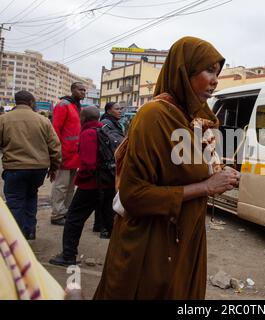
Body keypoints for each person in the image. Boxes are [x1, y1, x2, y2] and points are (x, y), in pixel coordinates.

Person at [94, 36, 240, 300]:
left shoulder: (191, 121)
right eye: (209, 70)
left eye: (217, 73)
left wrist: (220, 178)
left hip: (183, 240)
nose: (215, 80)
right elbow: (134, 195)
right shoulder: (154, 116)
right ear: (184, 71)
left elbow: (186, 172)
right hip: (152, 246)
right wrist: (205, 187)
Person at [49, 107, 116, 267]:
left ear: (83, 118)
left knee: (73, 219)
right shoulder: (105, 131)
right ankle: (128, 257)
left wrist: (82, 179)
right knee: (111, 223)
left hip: (91, 184)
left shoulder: (88, 133)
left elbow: (88, 164)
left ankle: (68, 256)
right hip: (108, 183)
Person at [0, 91, 61, 240]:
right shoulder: (43, 121)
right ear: (31, 103)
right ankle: (29, 231)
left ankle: (16, 237)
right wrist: (53, 168)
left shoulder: (3, 119)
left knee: (15, 201)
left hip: (14, 168)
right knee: (31, 197)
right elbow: (55, 146)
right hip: (38, 169)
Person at [50, 82, 86, 226]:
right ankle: (57, 214)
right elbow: (55, 130)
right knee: (61, 186)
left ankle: (65, 212)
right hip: (64, 154)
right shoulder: (63, 105)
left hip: (74, 155)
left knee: (70, 187)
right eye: (80, 89)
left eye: (84, 90)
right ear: (72, 90)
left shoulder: (78, 107)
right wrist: (56, 153)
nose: (83, 92)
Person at [92, 102, 125, 233]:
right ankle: (102, 226)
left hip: (111, 163)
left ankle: (102, 225)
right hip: (107, 165)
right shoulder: (106, 124)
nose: (120, 111)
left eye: (120, 108)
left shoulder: (115, 123)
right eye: (117, 109)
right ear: (108, 111)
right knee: (105, 197)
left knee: (107, 196)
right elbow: (111, 143)